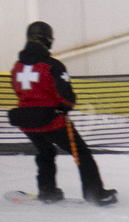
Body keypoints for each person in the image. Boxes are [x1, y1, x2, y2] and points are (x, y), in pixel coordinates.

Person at [7, 21, 117, 205]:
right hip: (53, 121)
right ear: (47, 39)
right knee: (81, 153)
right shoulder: (52, 65)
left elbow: (18, 91)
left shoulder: (16, 67)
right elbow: (66, 97)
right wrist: (64, 106)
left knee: (45, 152)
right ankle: (95, 194)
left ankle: (48, 191)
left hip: (27, 122)